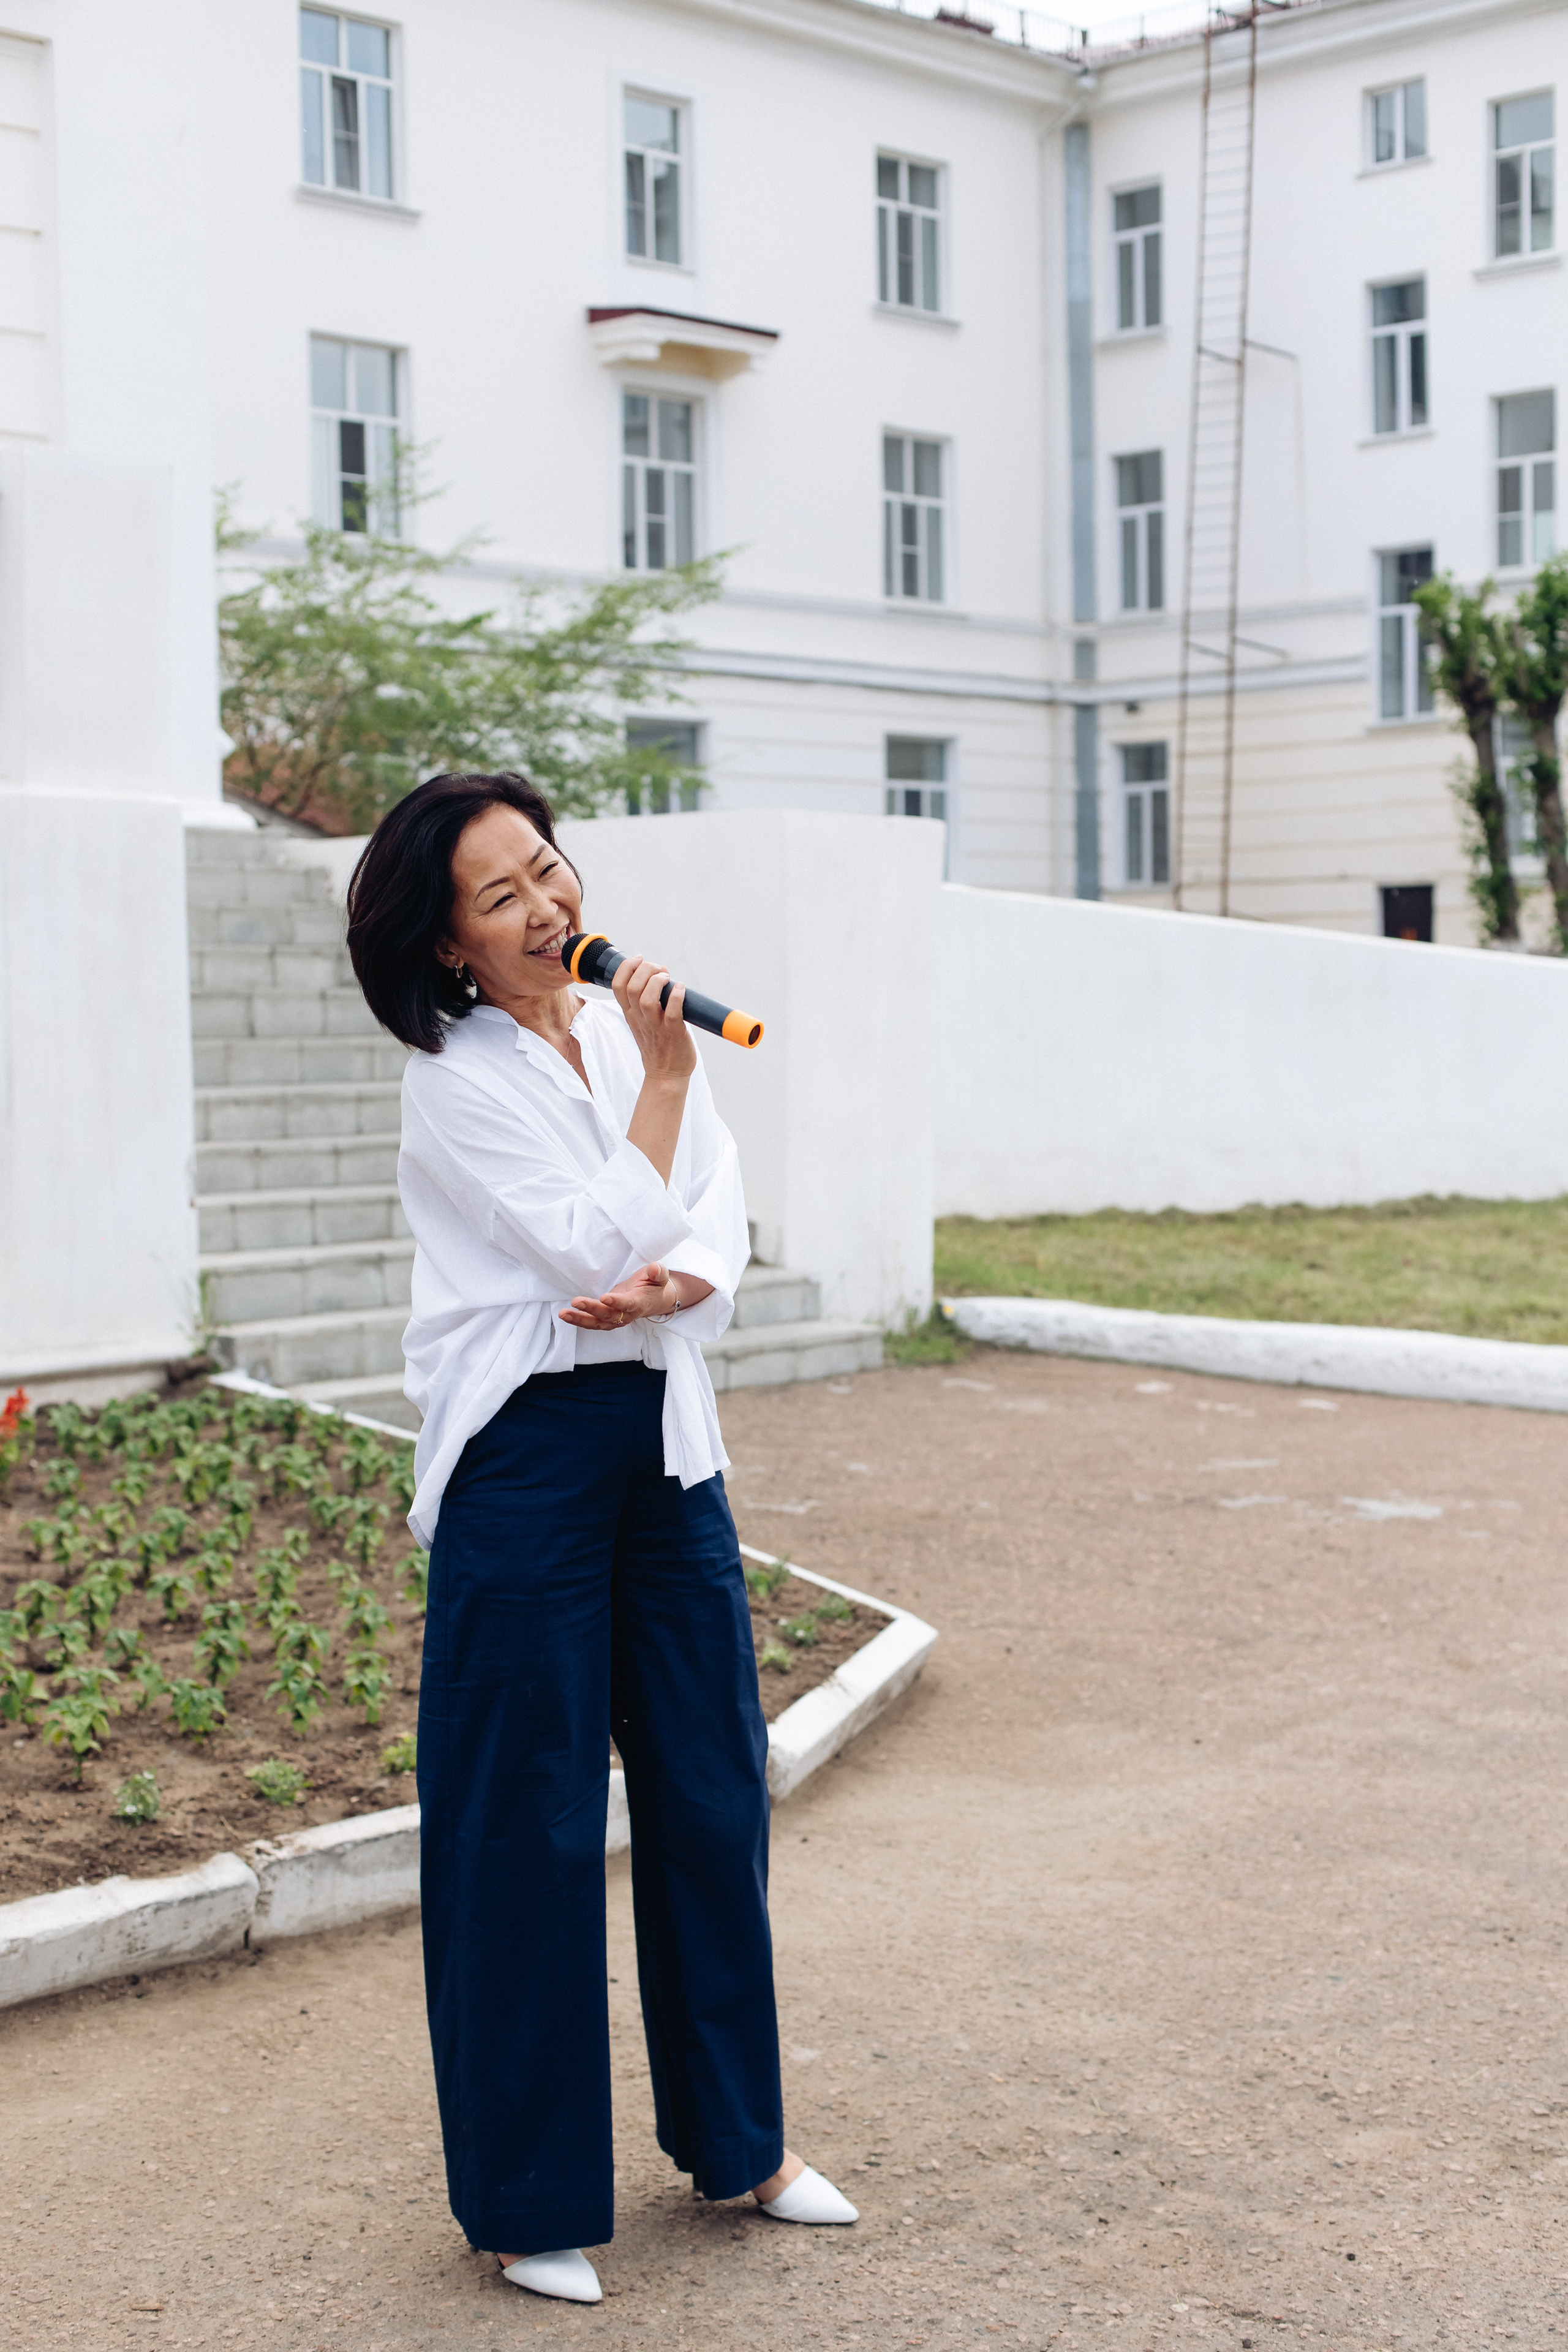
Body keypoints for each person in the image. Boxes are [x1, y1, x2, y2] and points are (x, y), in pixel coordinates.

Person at [345, 771, 857, 2307]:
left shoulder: (636, 1051)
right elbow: (576, 1240)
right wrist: (660, 1087)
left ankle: (743, 2146)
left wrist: (687, 1278)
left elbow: (704, 1211)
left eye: (547, 872)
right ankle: (525, 2199)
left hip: (662, 1438)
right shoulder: (459, 1081)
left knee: (711, 1790)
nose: (545, 910)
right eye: (499, 899)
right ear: (448, 948)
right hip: (525, 1455)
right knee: (528, 1819)